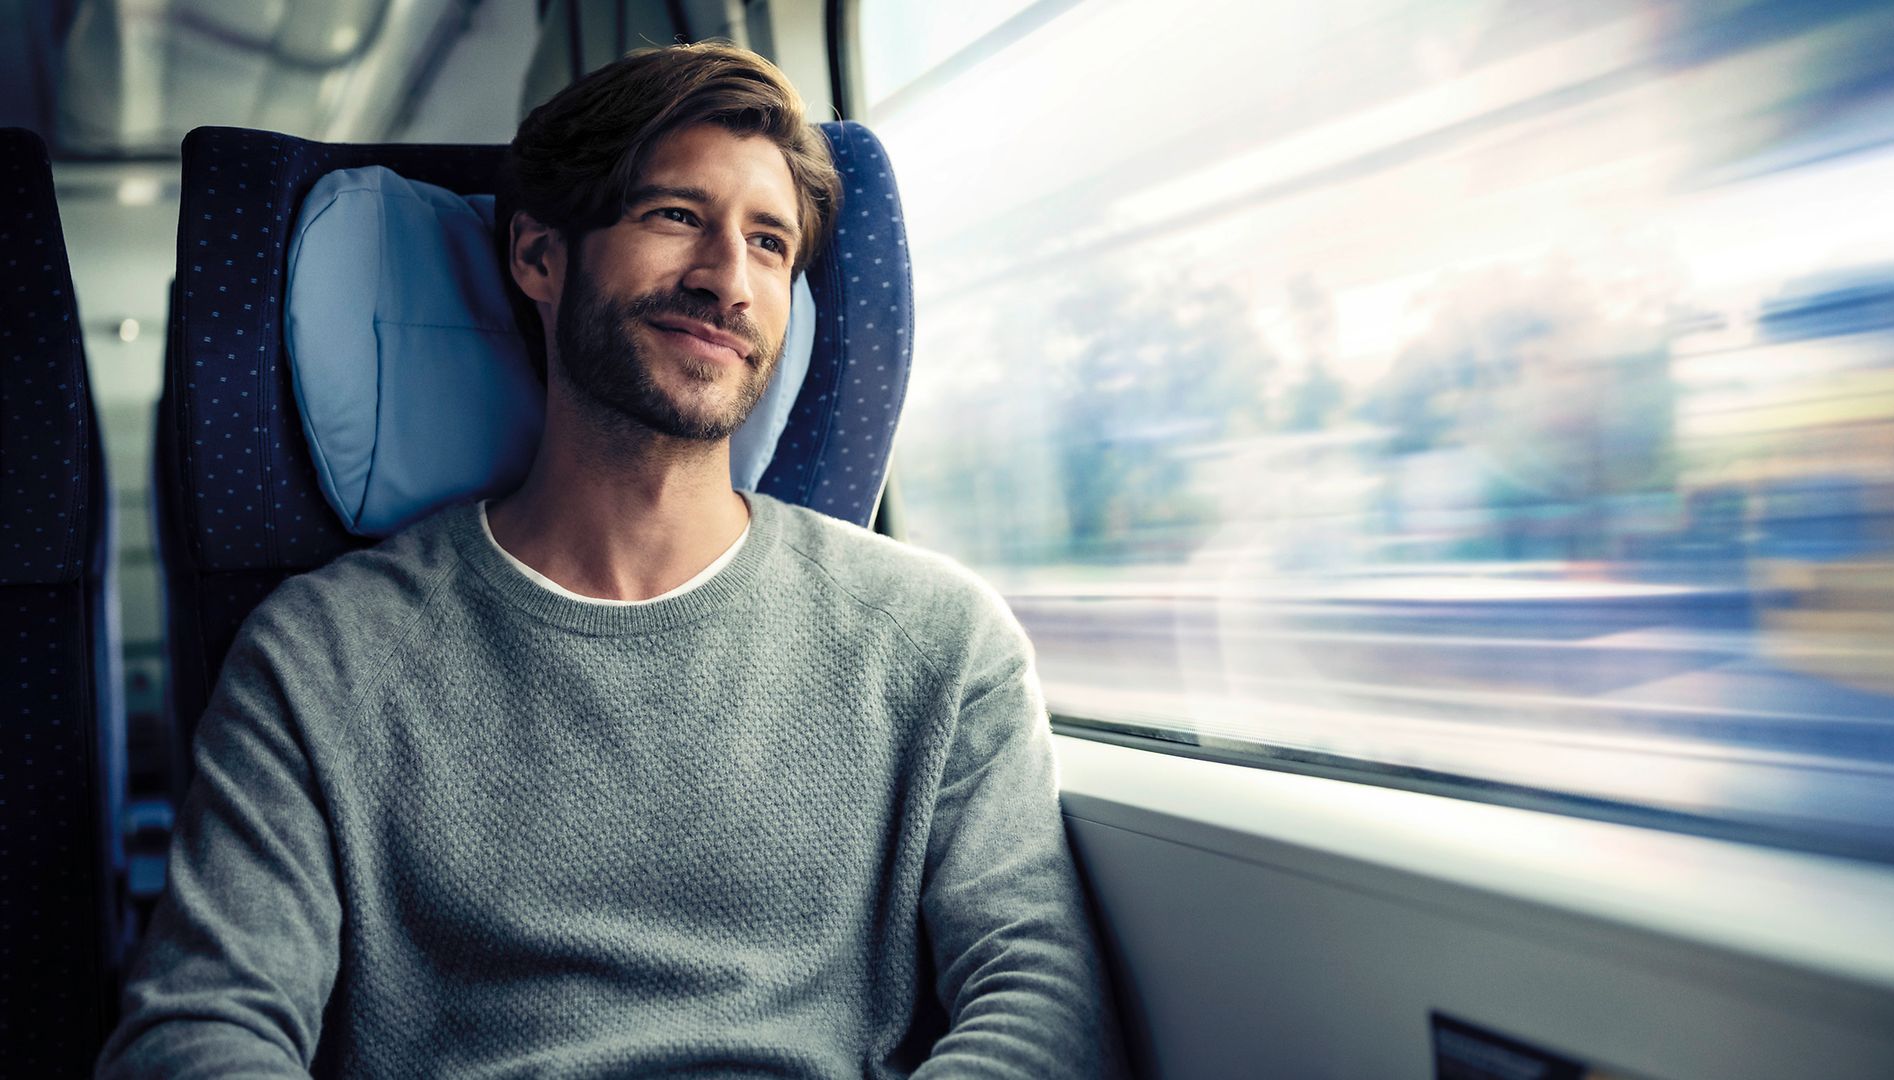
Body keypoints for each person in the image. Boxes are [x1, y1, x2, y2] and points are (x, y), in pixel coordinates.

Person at [98, 42, 1125, 1079]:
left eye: (770, 243)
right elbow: (199, 1033)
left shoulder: (936, 642)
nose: (728, 279)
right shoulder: (322, 657)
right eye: (676, 215)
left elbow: (1037, 1000)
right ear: (540, 258)